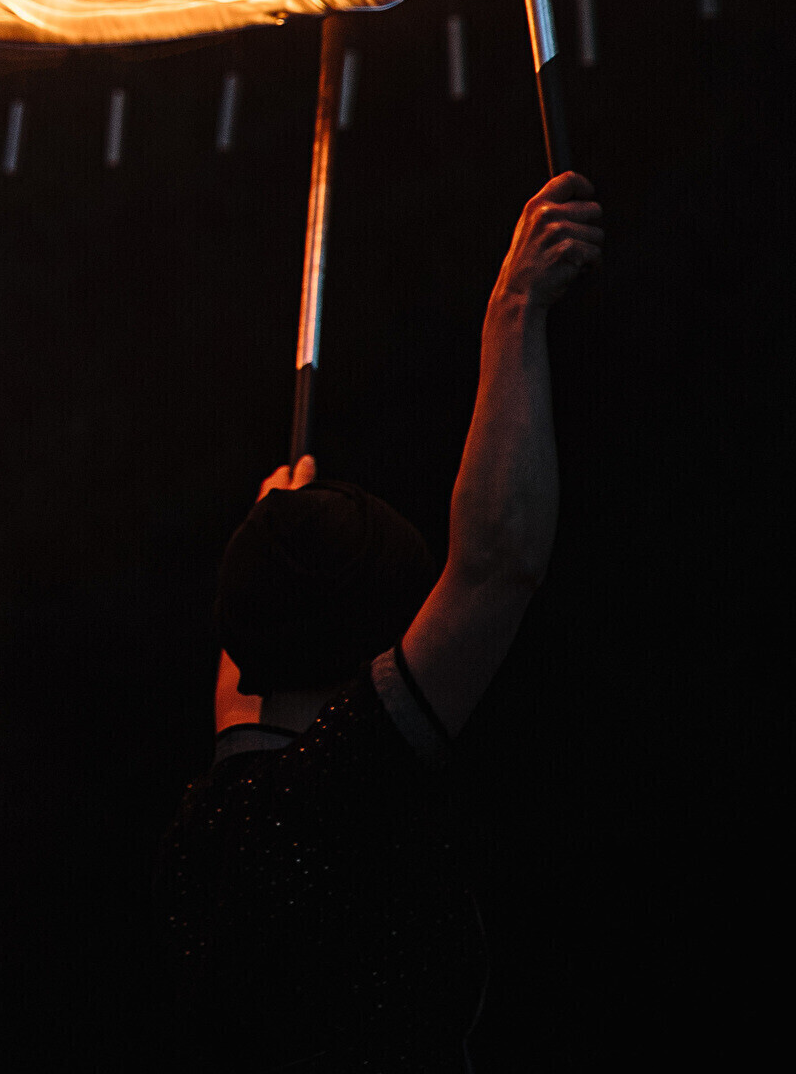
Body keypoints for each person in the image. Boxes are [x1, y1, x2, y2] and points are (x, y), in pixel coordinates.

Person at [157, 171, 602, 1066]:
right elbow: (498, 561)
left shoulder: (226, 804)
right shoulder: (333, 791)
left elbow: (256, 640)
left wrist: (277, 529)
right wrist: (514, 308)